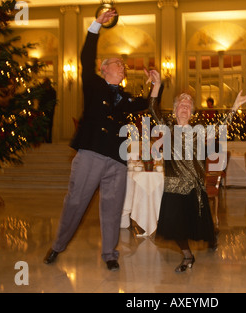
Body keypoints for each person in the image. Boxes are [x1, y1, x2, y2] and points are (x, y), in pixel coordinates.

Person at [43, 10, 162, 271]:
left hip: (117, 159)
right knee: (76, 202)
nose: (123, 66)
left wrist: (156, 84)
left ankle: (110, 253)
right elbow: (85, 56)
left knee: (112, 207)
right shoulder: (93, 84)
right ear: (104, 68)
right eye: (118, 63)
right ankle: (58, 246)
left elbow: (150, 106)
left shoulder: (126, 98)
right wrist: (97, 24)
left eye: (124, 65)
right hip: (91, 154)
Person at [149, 90, 246, 272]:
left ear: (191, 113)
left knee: (200, 225)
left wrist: (235, 107)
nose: (185, 107)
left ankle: (212, 237)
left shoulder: (199, 131)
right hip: (173, 186)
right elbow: (152, 108)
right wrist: (156, 86)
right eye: (181, 104)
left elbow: (222, 125)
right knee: (175, 227)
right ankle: (188, 255)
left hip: (194, 187)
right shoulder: (167, 129)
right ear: (174, 110)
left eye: (188, 106)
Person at [38, 78, 57, 143]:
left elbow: (54, 102)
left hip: (50, 111)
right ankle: (45, 139)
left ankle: (49, 139)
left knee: (50, 126)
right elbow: (40, 102)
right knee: (44, 126)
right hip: (44, 111)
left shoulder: (53, 92)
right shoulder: (43, 92)